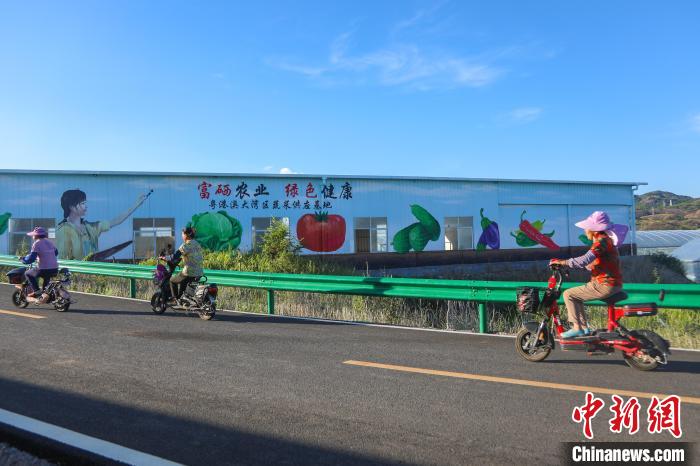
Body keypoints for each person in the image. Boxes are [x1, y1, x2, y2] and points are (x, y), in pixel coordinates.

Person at [550, 211, 626, 339]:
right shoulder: (606, 242)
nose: (585, 230)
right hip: (612, 283)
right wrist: (572, 265)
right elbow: (591, 264)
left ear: (593, 229)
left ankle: (577, 328)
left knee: (569, 294)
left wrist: (563, 262)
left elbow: (585, 259)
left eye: (587, 228)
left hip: (604, 284)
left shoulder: (600, 243)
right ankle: (584, 329)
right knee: (576, 296)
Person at [55, 189, 149, 260]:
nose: (86, 206)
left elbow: (116, 221)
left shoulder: (90, 227)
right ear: (72, 207)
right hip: (77, 276)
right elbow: (64, 260)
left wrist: (137, 204)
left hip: (93, 273)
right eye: (82, 203)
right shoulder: (64, 230)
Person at [164, 227, 203, 302]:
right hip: (199, 272)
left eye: (182, 234)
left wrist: (164, 257)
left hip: (189, 272)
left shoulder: (185, 245)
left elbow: (175, 256)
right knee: (183, 283)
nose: (181, 236)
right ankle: (182, 299)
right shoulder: (197, 244)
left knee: (172, 280)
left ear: (186, 235)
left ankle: (175, 299)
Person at [20, 227, 59, 298]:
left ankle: (37, 291)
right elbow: (56, 253)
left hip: (43, 268)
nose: (32, 236)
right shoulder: (50, 242)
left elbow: (31, 259)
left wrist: (23, 260)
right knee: (46, 279)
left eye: (33, 235)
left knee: (28, 274)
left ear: (37, 235)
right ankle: (46, 294)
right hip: (55, 268)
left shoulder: (36, 244)